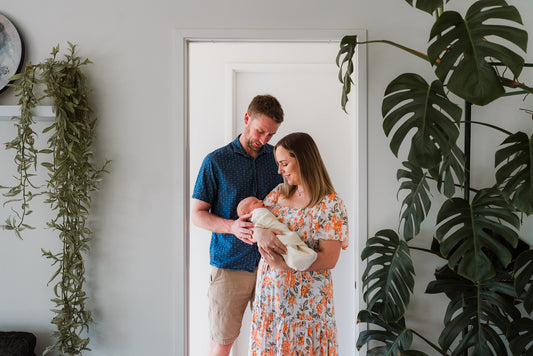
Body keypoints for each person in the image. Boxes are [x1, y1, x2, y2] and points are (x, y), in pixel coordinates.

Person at [191, 94, 286, 356]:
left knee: (273, 342)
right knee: (222, 342)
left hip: (273, 264)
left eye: (271, 133)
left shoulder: (278, 159)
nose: (265, 139)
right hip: (230, 265)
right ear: (247, 119)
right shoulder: (216, 161)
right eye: (260, 131)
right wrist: (232, 227)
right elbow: (197, 214)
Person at [249, 132, 349, 355]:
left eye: (284, 163)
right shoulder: (277, 195)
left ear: (303, 159)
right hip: (271, 298)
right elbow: (255, 221)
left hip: (307, 305)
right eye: (278, 164)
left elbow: (330, 258)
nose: (279, 171)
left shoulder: (330, 205)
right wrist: (260, 233)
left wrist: (285, 266)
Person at [237, 196, 318, 271]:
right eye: (255, 202)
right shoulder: (256, 215)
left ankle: (303, 255)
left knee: (288, 242)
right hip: (272, 242)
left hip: (277, 236)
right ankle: (299, 258)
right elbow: (248, 232)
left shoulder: (269, 202)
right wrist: (259, 233)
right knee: (286, 244)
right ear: (248, 213)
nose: (261, 200)